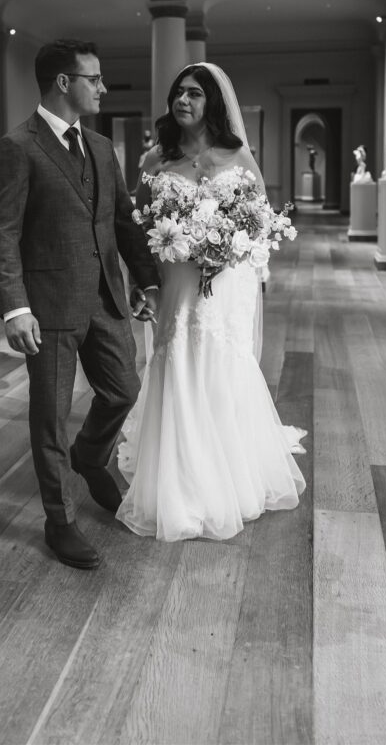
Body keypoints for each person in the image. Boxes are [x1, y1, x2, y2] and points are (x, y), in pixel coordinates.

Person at [0, 39, 160, 570]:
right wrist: (15, 308)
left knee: (124, 389)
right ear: (65, 83)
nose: (103, 87)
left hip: (105, 298)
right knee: (50, 417)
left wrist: (145, 281)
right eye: (94, 78)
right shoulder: (17, 147)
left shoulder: (103, 149)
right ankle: (58, 520)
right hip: (50, 306)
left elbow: (123, 222)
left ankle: (91, 455)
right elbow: (2, 233)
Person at [116, 62, 306, 542]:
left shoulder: (237, 154)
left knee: (219, 360)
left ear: (212, 104)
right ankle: (179, 475)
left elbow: (260, 218)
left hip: (223, 284)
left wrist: (227, 248)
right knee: (177, 357)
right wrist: (146, 280)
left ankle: (226, 468)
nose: (183, 100)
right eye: (179, 93)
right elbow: (137, 225)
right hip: (176, 279)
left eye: (194, 94)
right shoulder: (155, 159)